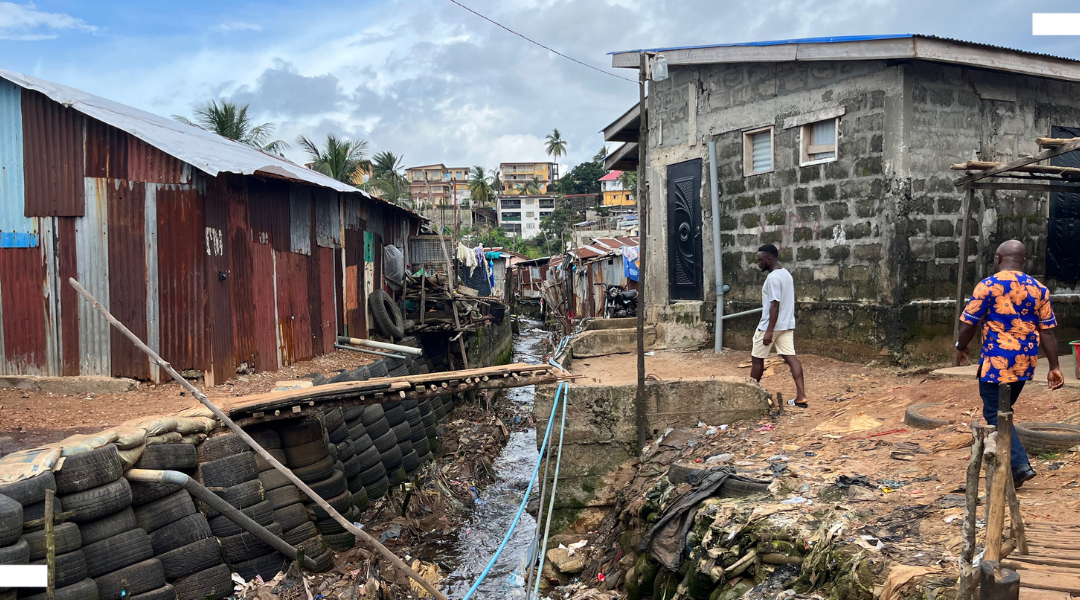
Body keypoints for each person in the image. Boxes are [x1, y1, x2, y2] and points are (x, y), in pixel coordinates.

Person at [956, 240, 1065, 488]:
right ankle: (1011, 468)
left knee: (995, 413)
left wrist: (960, 348)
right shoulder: (1039, 289)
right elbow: (1047, 332)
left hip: (996, 363)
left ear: (996, 259)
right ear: (1023, 261)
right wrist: (1054, 367)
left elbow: (969, 324)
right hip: (1024, 363)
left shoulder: (987, 286)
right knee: (1003, 410)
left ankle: (1018, 466)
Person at [750, 244, 808, 408]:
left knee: (757, 359)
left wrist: (769, 331)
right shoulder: (786, 275)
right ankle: (801, 396)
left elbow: (774, 304)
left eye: (760, 260)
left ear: (769, 259)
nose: (758, 264)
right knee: (791, 358)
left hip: (770, 326)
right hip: (787, 325)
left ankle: (751, 393)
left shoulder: (773, 278)